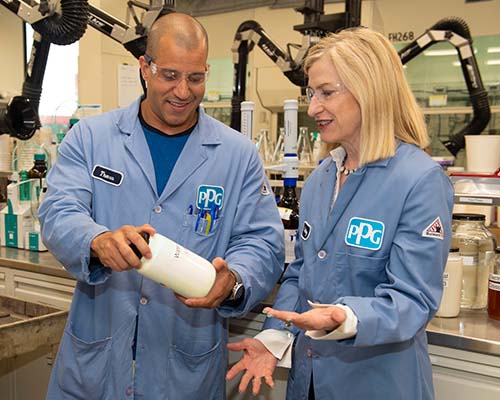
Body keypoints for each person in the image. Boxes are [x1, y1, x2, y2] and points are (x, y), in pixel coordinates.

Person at [39, 12, 284, 400]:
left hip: (185, 365)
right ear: (145, 68)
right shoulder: (91, 138)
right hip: (97, 359)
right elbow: (58, 212)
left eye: (195, 78)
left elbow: (263, 243)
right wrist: (97, 240)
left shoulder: (237, 156)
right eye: (170, 75)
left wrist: (234, 280)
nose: (183, 91)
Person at [227, 27, 454, 400]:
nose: (313, 107)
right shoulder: (321, 179)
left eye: (327, 93)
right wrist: (273, 337)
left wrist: (346, 317)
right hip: (309, 383)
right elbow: (301, 273)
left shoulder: (419, 181)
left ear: (370, 91)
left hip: (377, 384)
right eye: (311, 93)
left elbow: (413, 300)